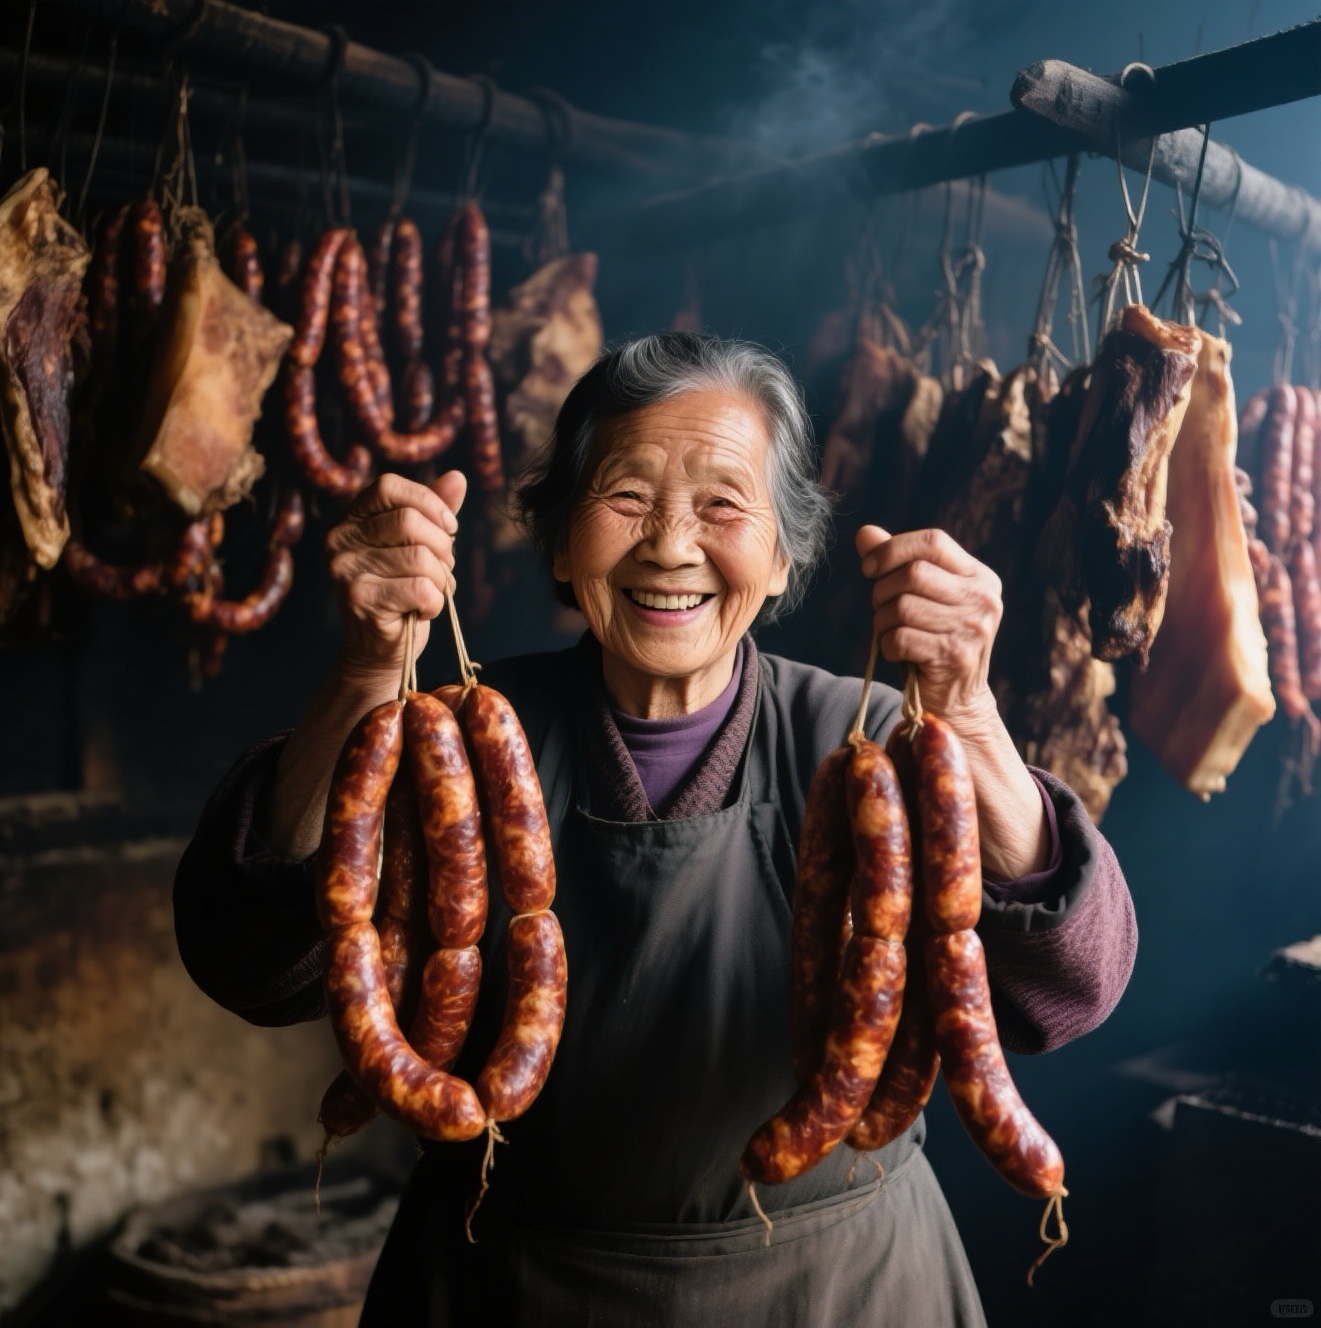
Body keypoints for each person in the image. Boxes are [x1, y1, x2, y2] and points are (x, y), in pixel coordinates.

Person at [174, 332, 1137, 1327]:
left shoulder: (874, 744)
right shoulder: (457, 734)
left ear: (781, 554)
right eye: (626, 496)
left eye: (721, 502)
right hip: (504, 1290)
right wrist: (364, 671)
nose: (670, 543)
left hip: (841, 1292)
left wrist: (970, 715)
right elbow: (246, 960)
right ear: (557, 540)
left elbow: (1063, 992)